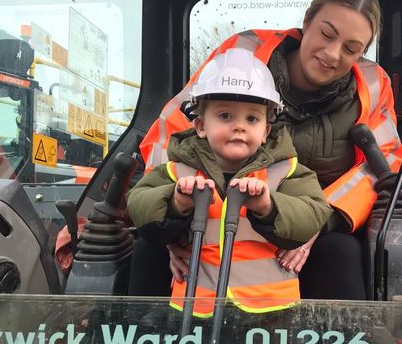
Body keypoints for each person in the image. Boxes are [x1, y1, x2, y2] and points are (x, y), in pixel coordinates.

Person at [134, 0, 402, 300]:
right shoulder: (241, 55)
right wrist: (170, 228)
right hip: (218, 210)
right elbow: (171, 130)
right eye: (326, 34)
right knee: (147, 251)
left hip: (314, 223)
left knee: (341, 254)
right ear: (307, 21)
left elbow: (383, 163)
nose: (333, 54)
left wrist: (318, 222)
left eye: (351, 48)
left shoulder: (374, 84)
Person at [127, 48, 332, 313]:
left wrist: (268, 207)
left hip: (269, 311)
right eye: (225, 116)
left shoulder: (287, 170)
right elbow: (139, 205)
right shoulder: (177, 170)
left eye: (252, 118)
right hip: (197, 309)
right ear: (200, 126)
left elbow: (312, 213)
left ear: (265, 131)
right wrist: (176, 203)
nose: (239, 126)